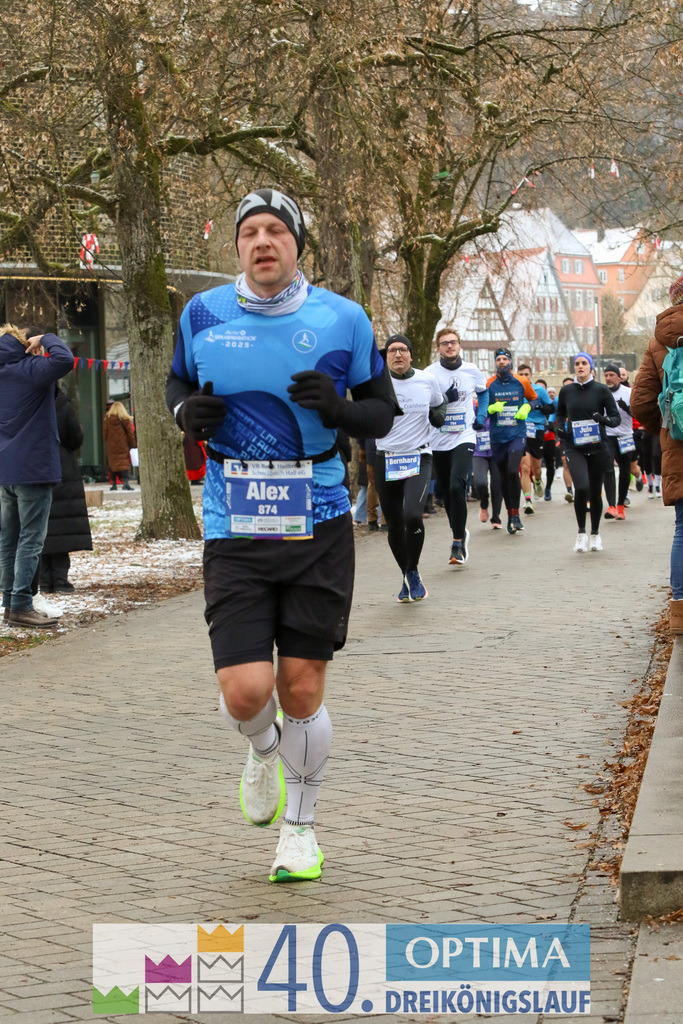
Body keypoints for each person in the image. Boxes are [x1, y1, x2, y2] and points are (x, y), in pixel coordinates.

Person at [165, 187, 397, 882]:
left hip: (317, 522)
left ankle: (300, 831)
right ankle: (263, 747)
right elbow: (176, 384)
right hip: (233, 522)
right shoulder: (201, 312)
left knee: (300, 688)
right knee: (245, 692)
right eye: (250, 232)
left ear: (297, 244)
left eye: (276, 230)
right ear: (237, 245)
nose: (262, 242)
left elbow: (382, 411)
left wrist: (341, 409)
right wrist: (185, 414)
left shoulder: (343, 317)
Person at [0, 324, 74, 628]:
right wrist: (45, 339)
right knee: (31, 539)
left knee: (8, 539)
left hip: (6, 470)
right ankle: (21, 604)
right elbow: (65, 359)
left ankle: (9, 602)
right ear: (24, 345)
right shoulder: (30, 369)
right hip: (34, 468)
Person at [630, 273, 683, 634]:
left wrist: (666, 428)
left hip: (678, 446)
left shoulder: (658, 342)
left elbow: (640, 403)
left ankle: (679, 611)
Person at [375, 335, 446, 600]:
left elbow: (439, 402)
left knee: (413, 516)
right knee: (393, 525)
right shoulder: (377, 383)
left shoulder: (427, 379)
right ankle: (407, 574)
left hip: (418, 456)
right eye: (392, 350)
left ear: (411, 355)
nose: (397, 354)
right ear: (386, 357)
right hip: (386, 457)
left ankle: (412, 570)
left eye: (403, 350)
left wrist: (439, 415)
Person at [425, 327, 487, 565]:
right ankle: (459, 531)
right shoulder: (430, 374)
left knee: (456, 484)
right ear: (438, 348)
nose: (449, 346)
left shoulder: (471, 370)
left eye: (453, 342)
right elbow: (424, 404)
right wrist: (444, 399)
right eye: (444, 343)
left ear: (459, 345)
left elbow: (483, 393)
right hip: (439, 438)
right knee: (447, 491)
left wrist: (481, 415)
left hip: (464, 435)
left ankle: (457, 543)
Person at [554, 352, 620, 552]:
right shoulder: (567, 391)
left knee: (595, 490)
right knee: (581, 488)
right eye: (577, 364)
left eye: (584, 363)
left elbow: (615, 418)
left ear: (591, 367)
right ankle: (581, 533)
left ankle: (595, 534)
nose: (580, 366)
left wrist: (604, 420)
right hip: (575, 447)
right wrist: (560, 428)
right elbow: (560, 413)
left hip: (598, 447)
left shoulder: (601, 390)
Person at [474, 348, 537, 535]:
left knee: (512, 471)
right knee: (502, 477)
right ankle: (510, 515)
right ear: (495, 362)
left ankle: (516, 514)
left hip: (517, 434)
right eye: (498, 359)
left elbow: (534, 399)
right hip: (497, 437)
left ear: (510, 361)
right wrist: (490, 409)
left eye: (505, 359)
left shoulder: (521, 381)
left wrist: (527, 407)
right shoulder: (489, 383)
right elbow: (480, 406)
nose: (501, 362)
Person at [39, 385, 93, 592]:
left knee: (41, 526)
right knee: (61, 527)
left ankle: (44, 580)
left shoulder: (29, 402)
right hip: (63, 468)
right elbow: (75, 438)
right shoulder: (63, 405)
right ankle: (60, 579)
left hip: (37, 467)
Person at [517, 365, 554, 514]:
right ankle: (528, 501)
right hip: (520, 429)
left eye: (526, 374)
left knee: (536, 468)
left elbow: (550, 408)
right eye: (521, 374)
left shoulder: (539, 390)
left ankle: (537, 480)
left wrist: (538, 407)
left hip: (537, 429)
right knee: (525, 467)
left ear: (531, 375)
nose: (524, 377)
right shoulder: (514, 390)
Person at [602, 362, 636, 521]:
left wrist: (627, 408)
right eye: (606, 375)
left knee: (625, 470)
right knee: (607, 467)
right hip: (608, 435)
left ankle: (621, 504)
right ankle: (611, 506)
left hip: (625, 435)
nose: (608, 378)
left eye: (612, 375)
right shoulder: (602, 393)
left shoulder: (629, 392)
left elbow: (638, 414)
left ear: (619, 377)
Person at [103, 401, 136, 490]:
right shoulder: (125, 419)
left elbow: (105, 434)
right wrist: (132, 444)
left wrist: (108, 441)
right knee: (124, 464)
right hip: (123, 445)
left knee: (113, 464)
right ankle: (125, 483)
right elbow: (130, 433)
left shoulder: (107, 419)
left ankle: (114, 484)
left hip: (112, 446)